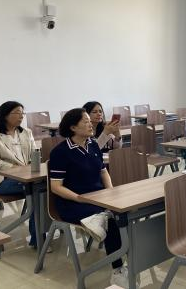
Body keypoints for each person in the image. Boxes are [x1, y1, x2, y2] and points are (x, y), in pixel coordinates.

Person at [49, 108, 128, 287]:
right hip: (72, 203)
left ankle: (100, 221)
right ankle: (118, 270)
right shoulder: (60, 152)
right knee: (112, 221)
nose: (91, 124)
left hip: (97, 198)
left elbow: (103, 172)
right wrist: (79, 198)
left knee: (125, 213)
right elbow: (56, 187)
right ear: (73, 128)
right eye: (85, 121)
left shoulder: (92, 144)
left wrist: (111, 192)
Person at [0, 101, 38, 247]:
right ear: (5, 115)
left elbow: (34, 155)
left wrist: (33, 165)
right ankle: (38, 239)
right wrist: (19, 169)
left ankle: (40, 235)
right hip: (1, 180)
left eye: (22, 113)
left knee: (44, 189)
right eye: (17, 113)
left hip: (26, 178)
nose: (21, 116)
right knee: (39, 191)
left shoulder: (26, 132)